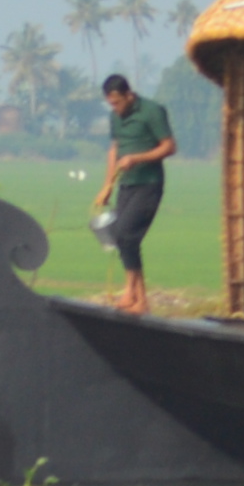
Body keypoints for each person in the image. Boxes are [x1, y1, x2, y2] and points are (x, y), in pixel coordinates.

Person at [89, 71, 178, 313]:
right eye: (110, 103)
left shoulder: (152, 111)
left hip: (148, 183)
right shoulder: (115, 118)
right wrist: (107, 185)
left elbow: (170, 147)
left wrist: (137, 158)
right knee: (120, 236)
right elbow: (114, 150)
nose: (115, 108)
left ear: (129, 95)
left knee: (127, 235)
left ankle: (132, 293)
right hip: (125, 184)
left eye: (118, 102)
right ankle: (140, 299)